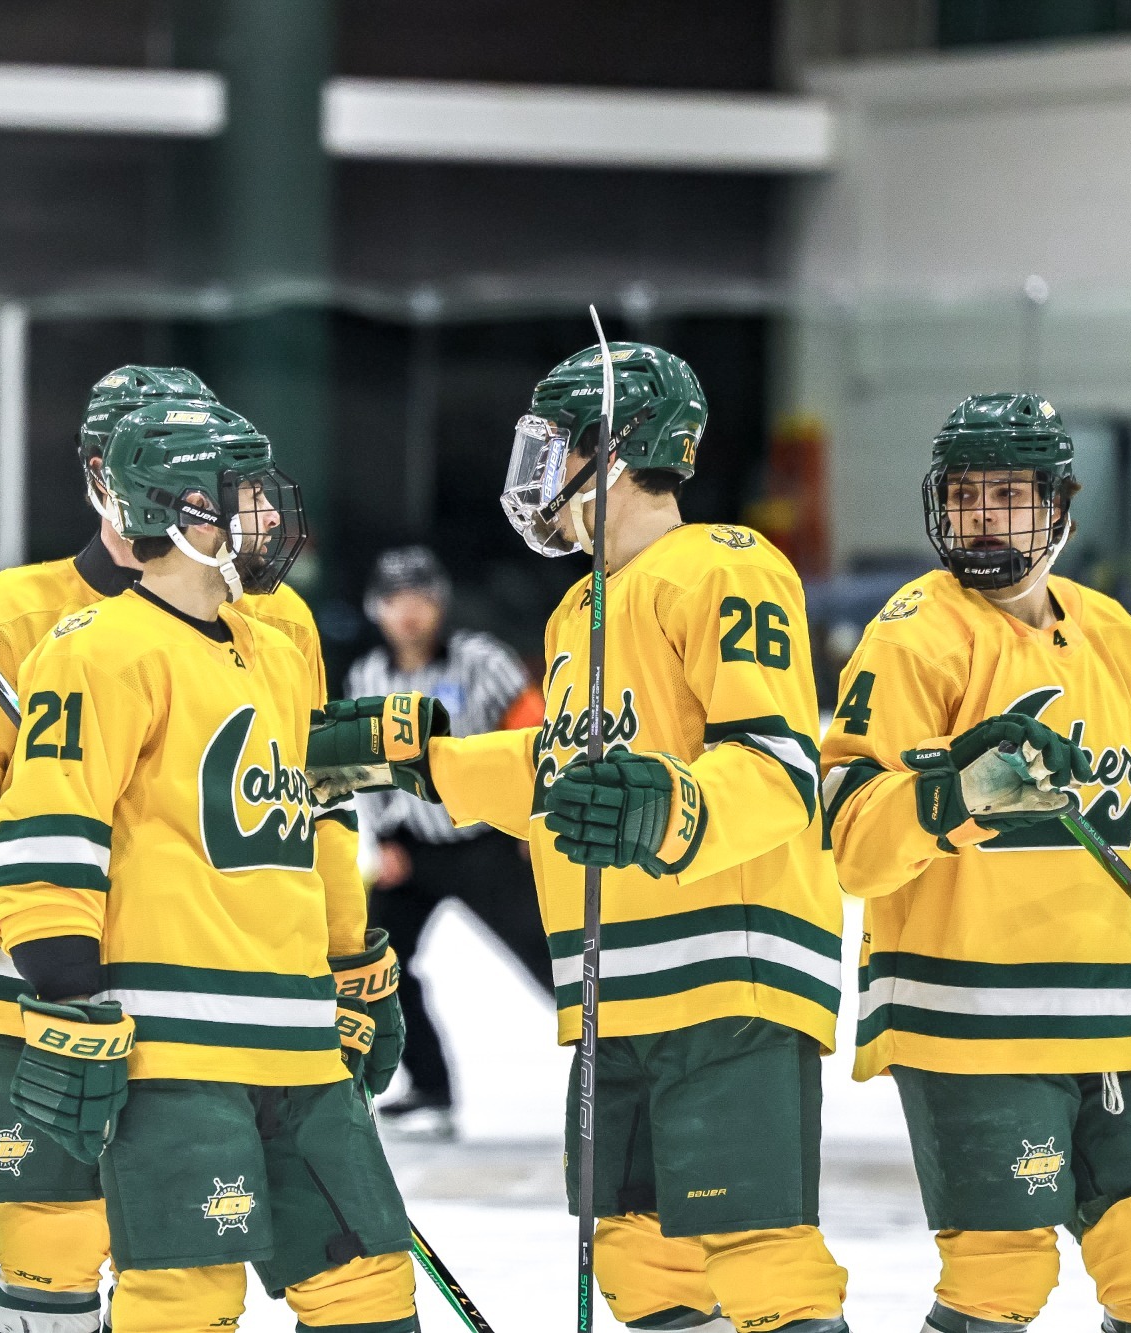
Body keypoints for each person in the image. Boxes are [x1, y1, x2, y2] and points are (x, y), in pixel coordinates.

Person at [314, 342, 850, 1333]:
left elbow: (777, 770)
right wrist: (421, 761)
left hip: (726, 972)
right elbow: (557, 774)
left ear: (619, 446)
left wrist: (670, 806)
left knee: (759, 1253)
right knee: (634, 1261)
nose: (535, 471)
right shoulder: (576, 611)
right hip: (616, 984)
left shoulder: (723, 566)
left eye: (554, 444)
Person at [0, 367, 393, 1333]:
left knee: (299, 1264)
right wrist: (45, 934)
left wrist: (349, 953)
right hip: (50, 992)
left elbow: (308, 804)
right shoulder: (9, 617)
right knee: (56, 1248)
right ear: (109, 471)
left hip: (231, 991)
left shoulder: (274, 623)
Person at [820, 393, 1131, 1333]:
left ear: (1063, 508)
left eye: (1008, 493)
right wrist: (952, 794)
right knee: (1001, 1278)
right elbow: (851, 845)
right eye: (965, 495)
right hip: (970, 1016)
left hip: (1110, 1016)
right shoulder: (912, 633)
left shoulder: (1117, 636)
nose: (983, 516)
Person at [345, 545, 551, 1139]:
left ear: (440, 604)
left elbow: (531, 733)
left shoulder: (481, 660)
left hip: (490, 841)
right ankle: (430, 1089)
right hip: (413, 849)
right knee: (377, 963)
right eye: (395, 601)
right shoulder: (367, 676)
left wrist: (534, 819)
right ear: (375, 609)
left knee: (553, 958)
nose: (408, 614)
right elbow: (369, 764)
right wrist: (380, 839)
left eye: (421, 599)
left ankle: (616, 1069)